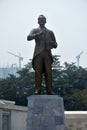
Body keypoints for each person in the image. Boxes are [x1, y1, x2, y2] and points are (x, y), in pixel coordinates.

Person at [27, 15, 57, 94]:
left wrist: (52, 43)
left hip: (47, 53)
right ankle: (38, 89)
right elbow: (28, 37)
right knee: (38, 72)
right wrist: (37, 35)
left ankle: (49, 90)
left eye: (43, 20)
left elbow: (55, 44)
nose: (41, 21)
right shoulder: (35, 30)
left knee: (49, 72)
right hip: (38, 54)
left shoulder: (50, 32)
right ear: (38, 21)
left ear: (45, 21)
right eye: (40, 20)